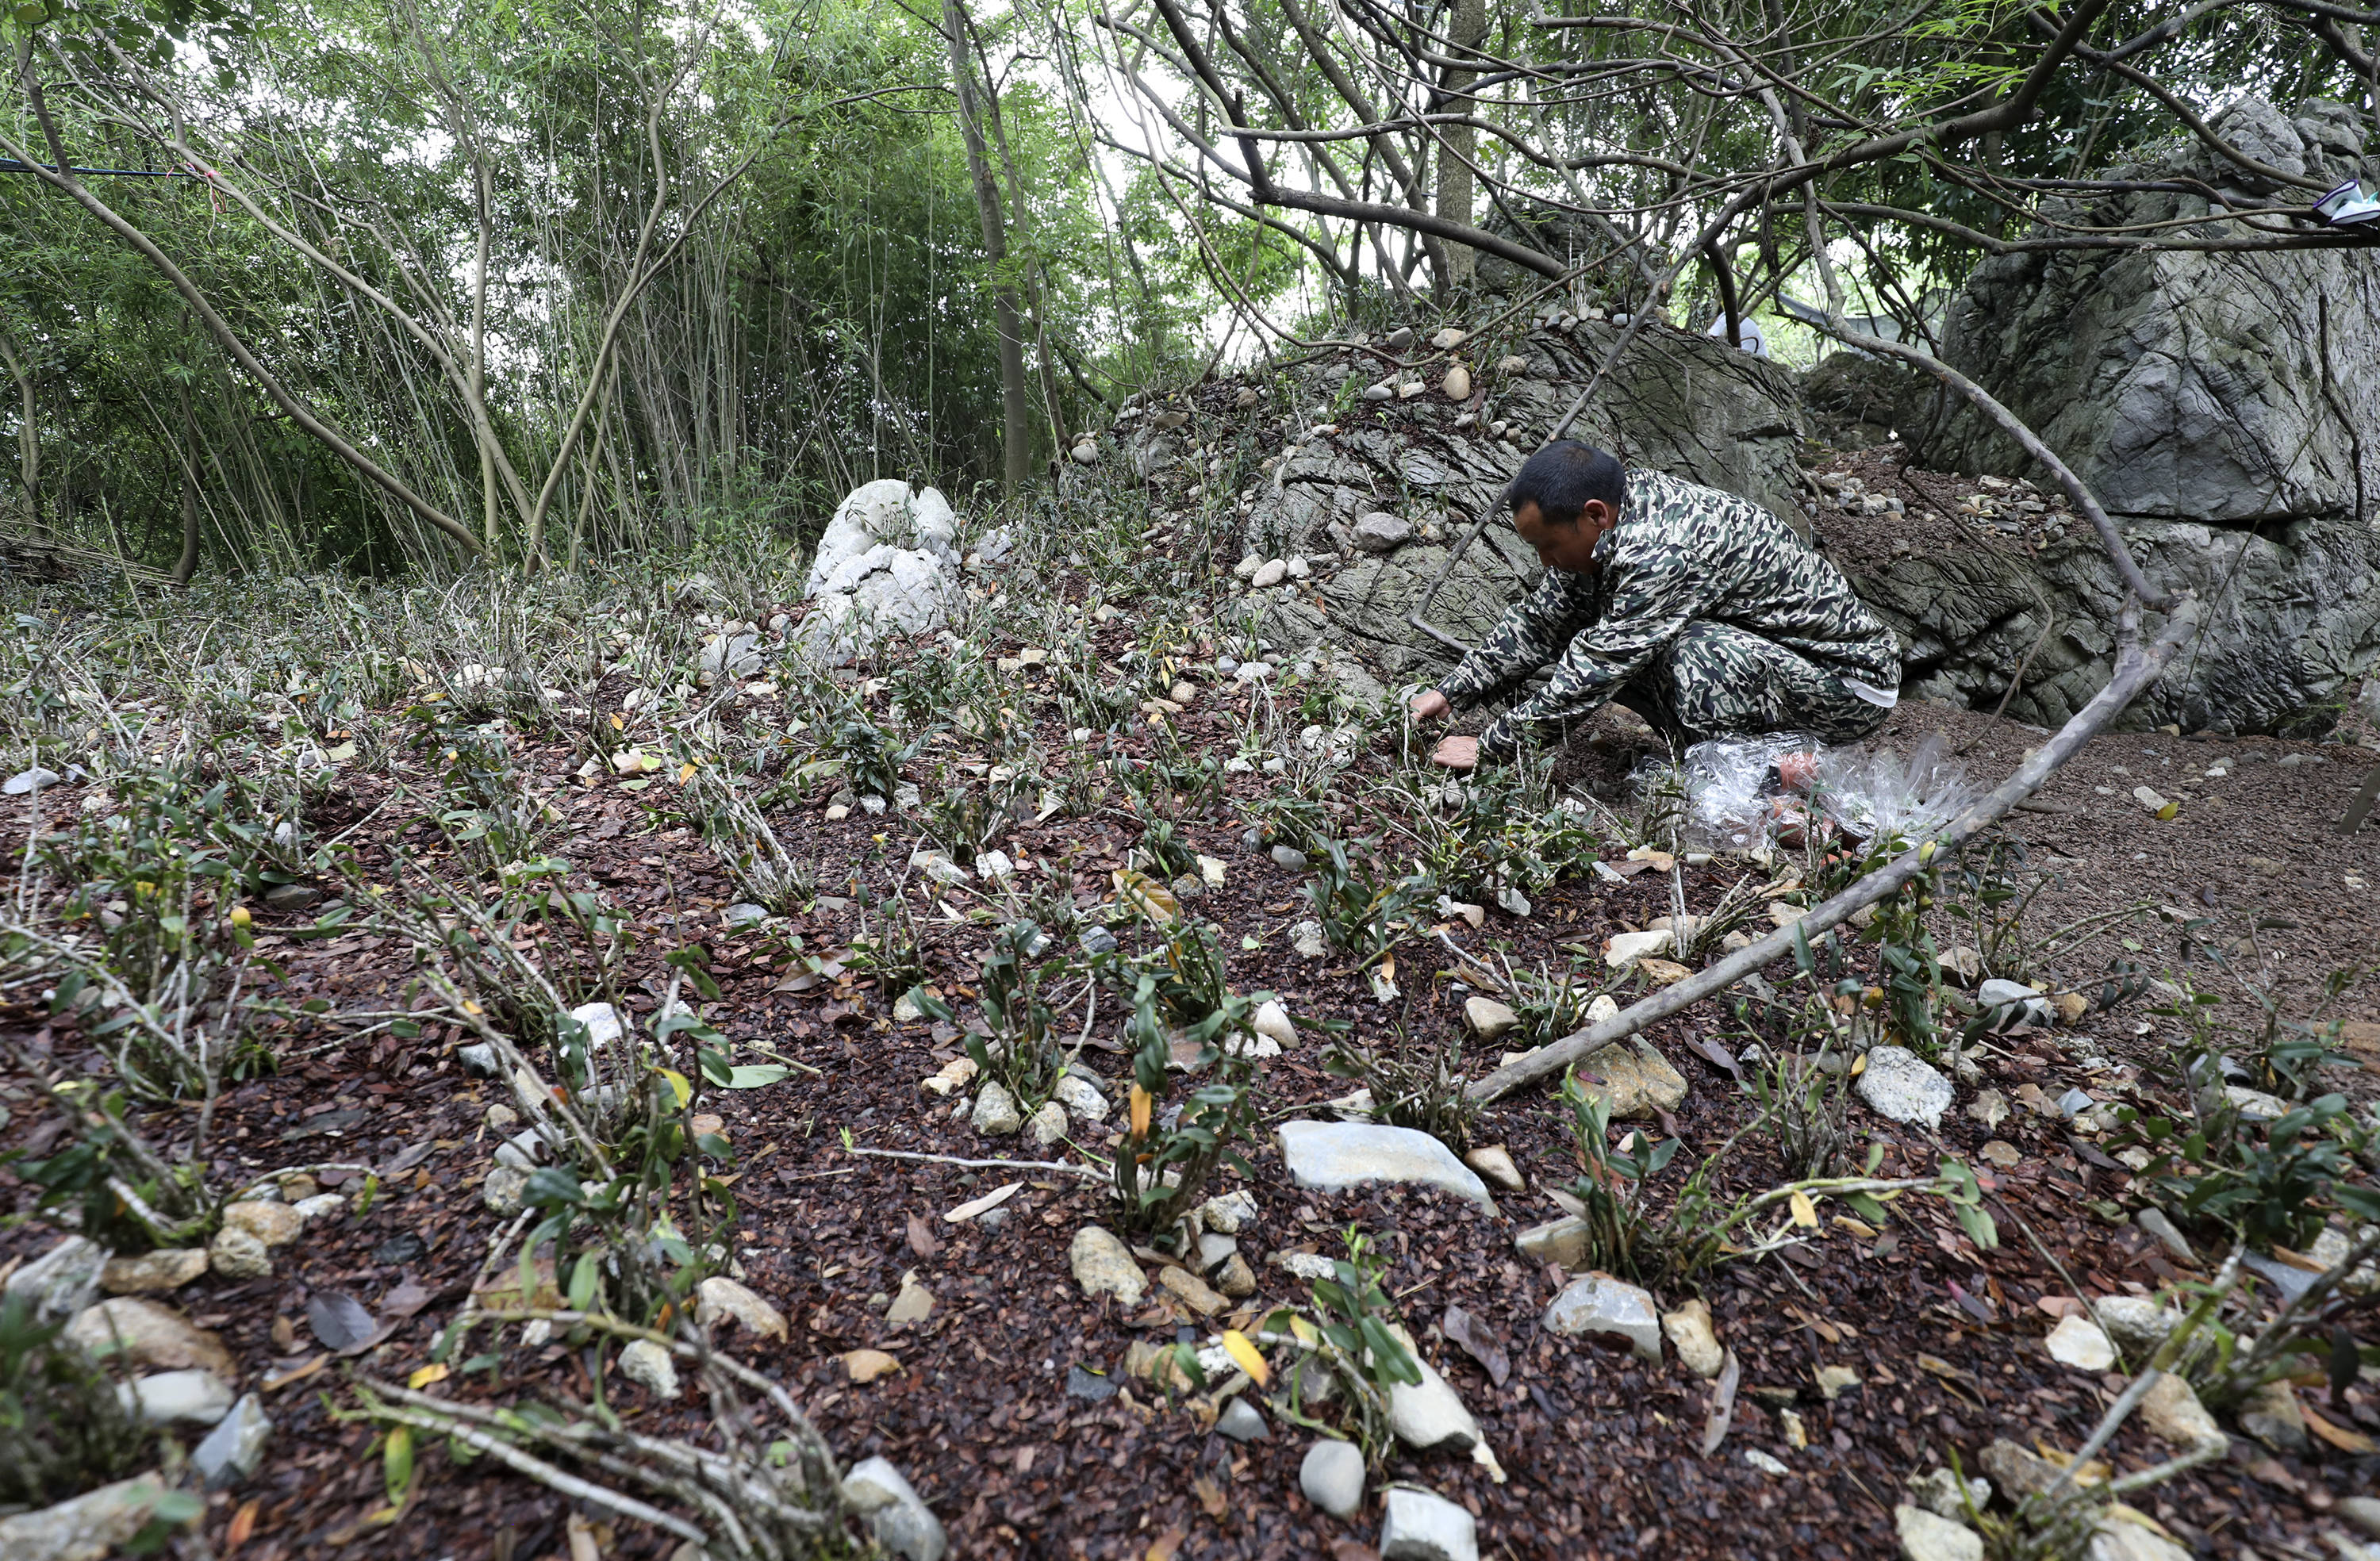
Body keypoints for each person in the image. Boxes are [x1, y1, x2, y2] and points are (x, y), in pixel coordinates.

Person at [1409, 440, 1901, 771]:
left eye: (1549, 545)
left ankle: (1742, 777)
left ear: (1594, 516)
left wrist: (1494, 747)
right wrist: (1453, 692)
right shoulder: (1616, 516)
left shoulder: (1662, 551)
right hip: (1779, 657)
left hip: (1848, 686)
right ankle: (1733, 750)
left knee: (1690, 650)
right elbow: (1542, 623)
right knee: (1622, 639)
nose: (1545, 561)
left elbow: (1598, 667)